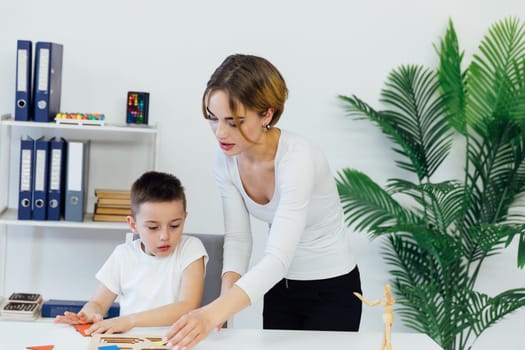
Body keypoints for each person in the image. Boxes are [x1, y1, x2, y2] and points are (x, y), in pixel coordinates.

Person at [164, 54, 362, 349]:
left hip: (332, 288)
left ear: (267, 115)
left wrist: (210, 314)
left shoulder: (298, 159)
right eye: (212, 118)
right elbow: (239, 239)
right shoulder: (226, 159)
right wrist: (224, 303)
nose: (220, 132)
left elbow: (278, 258)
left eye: (234, 122)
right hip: (278, 289)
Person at [54, 171, 208, 334]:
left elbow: (187, 307)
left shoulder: (191, 249)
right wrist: (87, 314)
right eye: (153, 227)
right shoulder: (123, 255)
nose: (165, 236)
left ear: (184, 218)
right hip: (130, 340)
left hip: (176, 340)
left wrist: (130, 320)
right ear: (133, 225)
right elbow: (98, 303)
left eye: (175, 225)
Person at [353, 284, 395, 350]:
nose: (388, 289)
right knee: (388, 340)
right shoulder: (384, 299)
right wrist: (361, 297)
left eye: (389, 288)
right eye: (387, 288)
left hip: (389, 318)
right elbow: (371, 304)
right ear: (385, 289)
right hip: (387, 318)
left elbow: (389, 299)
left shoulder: (389, 298)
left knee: (385, 340)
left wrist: (360, 297)